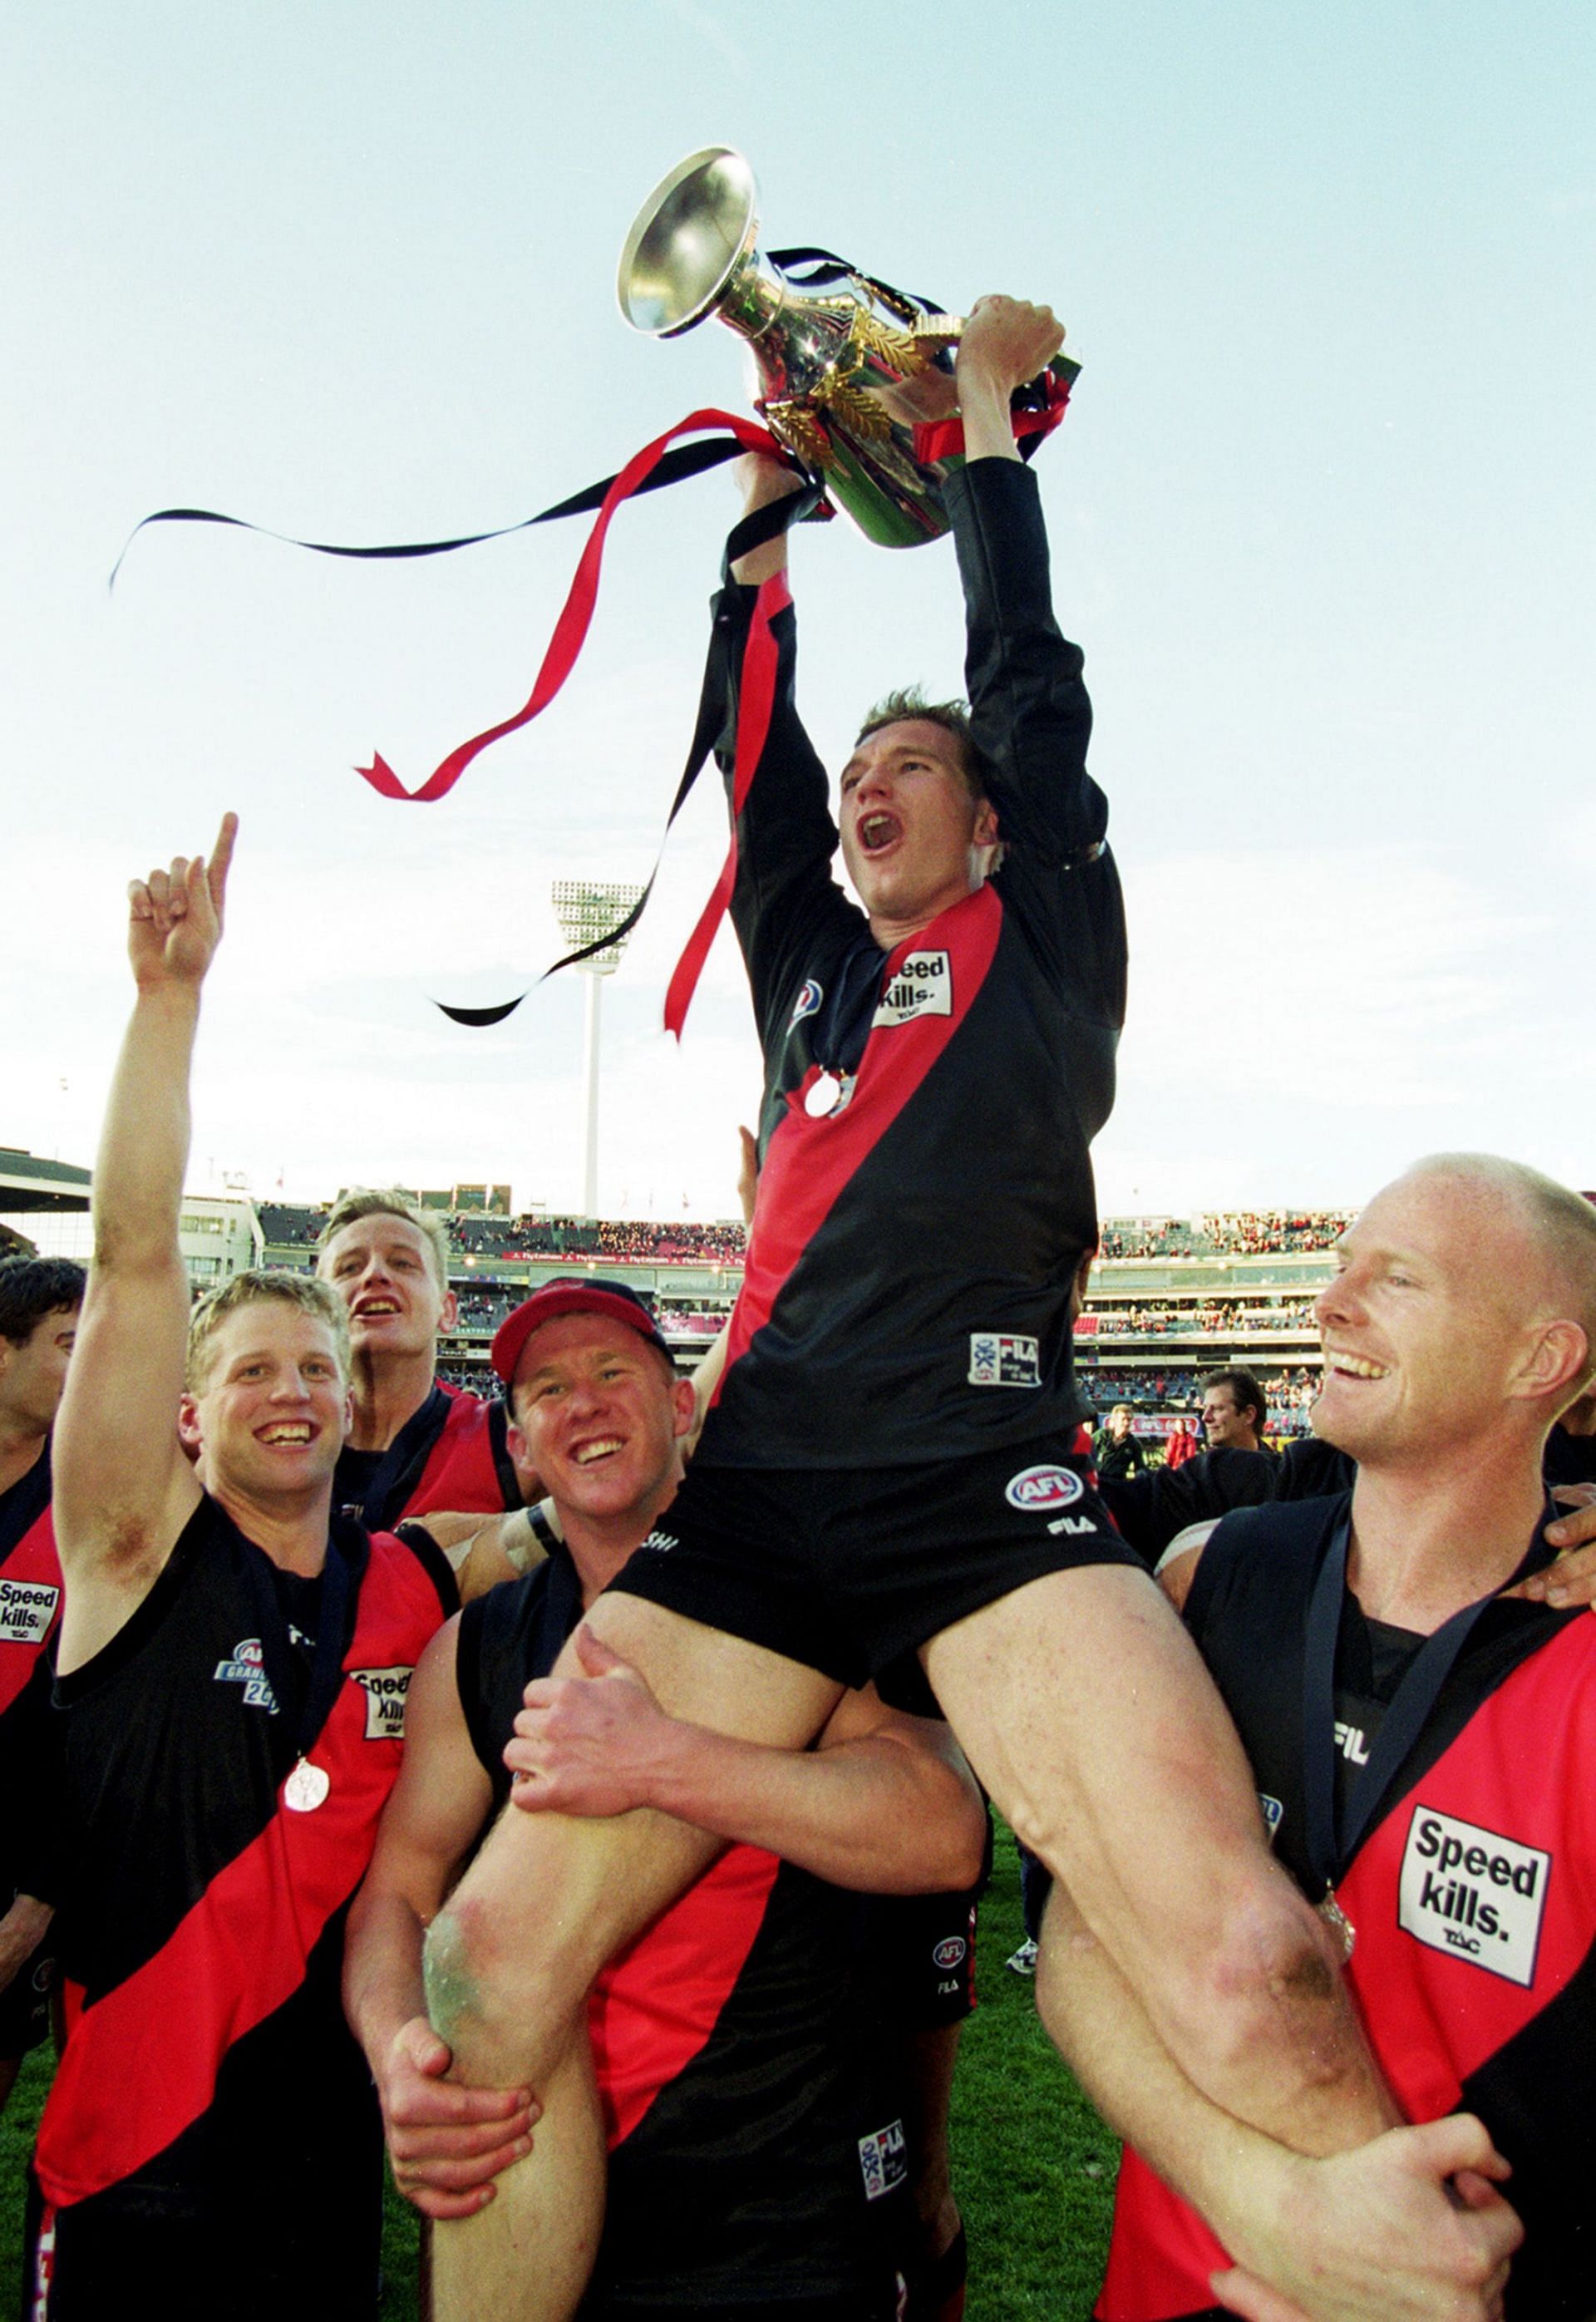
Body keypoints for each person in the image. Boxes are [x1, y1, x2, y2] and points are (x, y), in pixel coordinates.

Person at [421, 298, 1508, 2322]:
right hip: (749, 1508)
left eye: (911, 769)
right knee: (482, 1976)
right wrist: (758, 503)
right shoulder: (811, 975)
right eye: (860, 774)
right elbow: (750, 759)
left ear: (987, 813)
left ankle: (1406, 2271)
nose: (866, 789)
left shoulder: (1046, 933)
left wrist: (991, 441)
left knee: (1250, 1963)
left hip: (968, 1484)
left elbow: (1030, 687)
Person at [344, 1279, 986, 2320]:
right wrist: (395, 2052)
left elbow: (941, 1831)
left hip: (783, 2223)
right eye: (546, 1390)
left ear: (683, 1406)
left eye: (613, 1374)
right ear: (519, 1449)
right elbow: (397, 1892)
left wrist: (665, 1761)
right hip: (532, 2203)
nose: (584, 1405)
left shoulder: (811, 1605)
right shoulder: (479, 1648)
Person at [1041, 1154, 1596, 2320]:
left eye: (1394, 1278)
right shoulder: (1209, 1578)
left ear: (1539, 1360)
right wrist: (1263, 2201)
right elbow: (1085, 1934)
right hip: (1177, 2285)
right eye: (1340, 1266)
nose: (1327, 1305)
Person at [29, 819, 456, 2320]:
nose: (292, 1389)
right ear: (190, 1410)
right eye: (256, 1367)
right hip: (135, 2145)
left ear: (353, 1397)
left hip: (330, 2152)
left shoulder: (413, 1585)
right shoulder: (130, 1547)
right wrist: (169, 1003)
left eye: (317, 1367)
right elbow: (137, 1249)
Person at [0, 1256, 82, 2112]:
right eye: (69, 1342)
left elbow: (96, 1722)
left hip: (15, 1889)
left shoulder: (97, 1501)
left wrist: (35, 1905)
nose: (92, 1360)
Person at [316, 1188, 523, 1528]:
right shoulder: (275, 1440)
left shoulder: (504, 1441)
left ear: (448, 1310)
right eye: (350, 1267)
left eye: (403, 1263)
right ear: (318, 1308)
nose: (374, 1275)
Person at [1198, 1367, 1267, 1454]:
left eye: (1218, 1408)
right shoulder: (1194, 1467)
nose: (1205, 1417)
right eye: (1205, 1408)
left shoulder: (1281, 1467)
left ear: (1248, 1415)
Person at [1092, 1402, 1147, 1485]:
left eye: (1129, 1420)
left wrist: (1141, 1476)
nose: (1126, 1423)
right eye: (1123, 1419)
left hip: (1118, 1484)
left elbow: (1140, 1467)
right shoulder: (1101, 1435)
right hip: (1099, 1481)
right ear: (1115, 1421)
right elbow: (1085, 1453)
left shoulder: (1134, 1444)